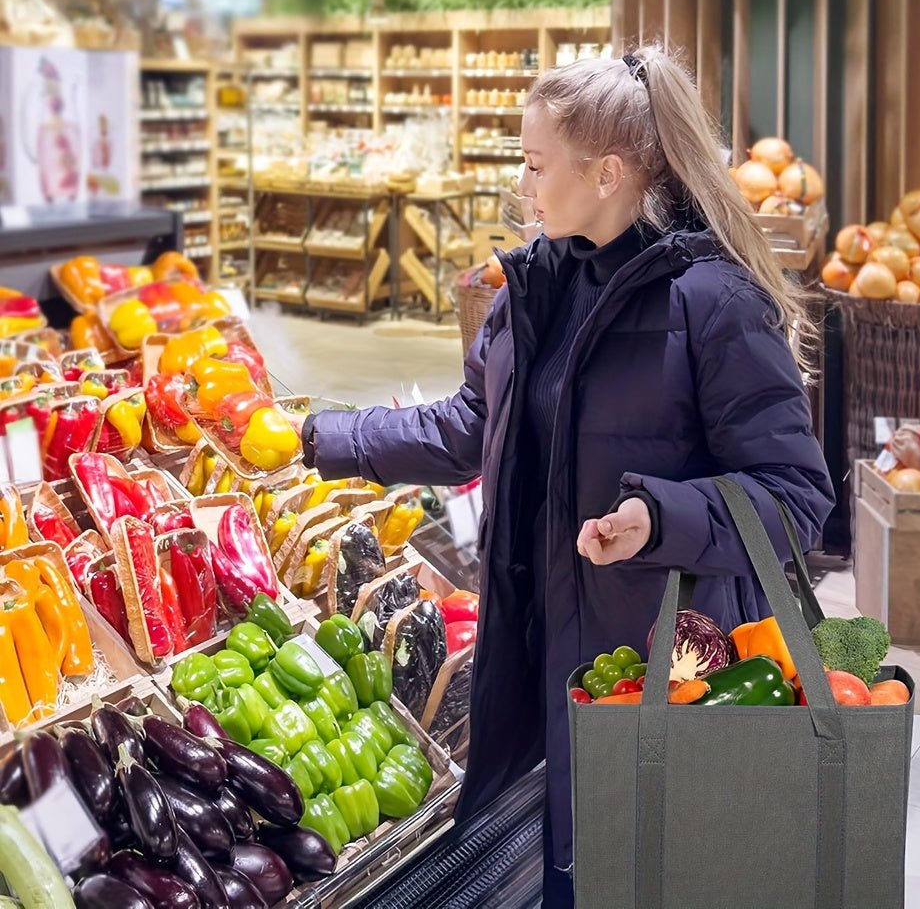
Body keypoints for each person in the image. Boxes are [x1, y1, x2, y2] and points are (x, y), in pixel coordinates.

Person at [298, 44, 835, 907]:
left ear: (609, 173)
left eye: (535, 164)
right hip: (556, 654)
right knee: (576, 872)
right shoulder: (536, 287)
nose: (524, 184)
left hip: (670, 664)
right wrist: (316, 437)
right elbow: (468, 426)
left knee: (661, 874)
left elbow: (797, 497)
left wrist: (658, 518)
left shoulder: (711, 301)